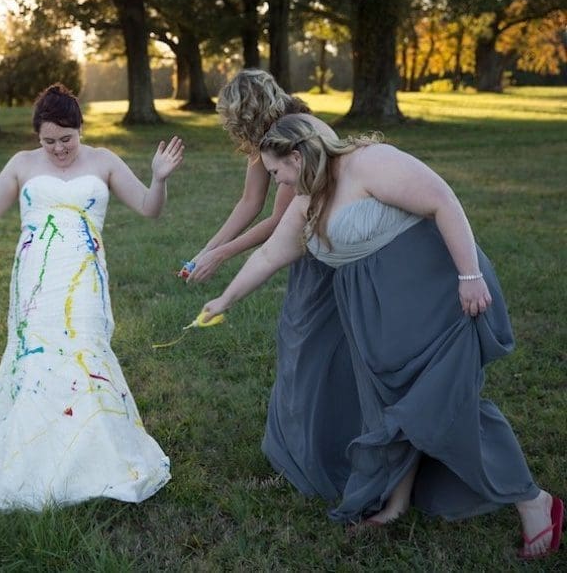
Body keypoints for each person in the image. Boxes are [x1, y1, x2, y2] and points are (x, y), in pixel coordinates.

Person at [199, 115, 561, 560]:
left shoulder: (369, 163)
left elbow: (442, 201)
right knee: (393, 406)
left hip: (433, 296)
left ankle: (533, 500)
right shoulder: (309, 197)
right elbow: (273, 253)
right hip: (377, 319)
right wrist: (225, 299)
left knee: (442, 405)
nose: (277, 182)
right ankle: (397, 501)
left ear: (296, 155)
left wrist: (469, 275)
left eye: (277, 172)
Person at [0, 83, 180, 510]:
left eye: (67, 139)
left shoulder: (105, 161)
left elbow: (150, 208)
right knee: (37, 359)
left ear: (80, 130)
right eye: (49, 141)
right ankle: (32, 457)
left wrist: (158, 178)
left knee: (85, 352)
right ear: (37, 136)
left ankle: (94, 457)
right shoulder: (22, 163)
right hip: (36, 282)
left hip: (84, 280)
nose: (59, 149)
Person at [184, 69, 360, 501]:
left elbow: (281, 223)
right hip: (316, 246)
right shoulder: (275, 134)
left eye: (232, 119)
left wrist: (221, 256)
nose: (232, 129)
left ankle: (312, 461)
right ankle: (303, 456)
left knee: (308, 351)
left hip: (326, 252)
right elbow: (249, 203)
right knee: (303, 347)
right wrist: (204, 251)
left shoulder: (294, 135)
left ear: (246, 113)